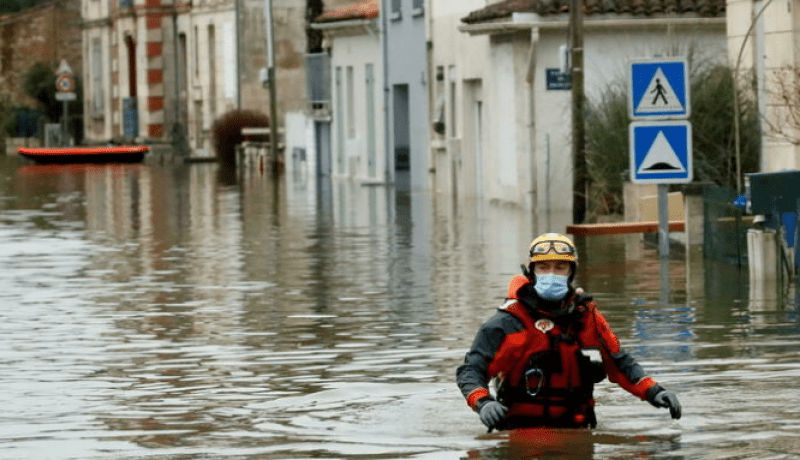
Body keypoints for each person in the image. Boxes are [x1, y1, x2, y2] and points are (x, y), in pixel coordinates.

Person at [456, 233, 681, 431]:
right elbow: (472, 370)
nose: (551, 274)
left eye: (560, 267)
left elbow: (619, 363)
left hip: (577, 428)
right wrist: (483, 402)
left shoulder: (586, 316)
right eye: (543, 267)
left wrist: (654, 391)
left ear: (571, 272)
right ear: (531, 272)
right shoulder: (507, 322)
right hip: (521, 432)